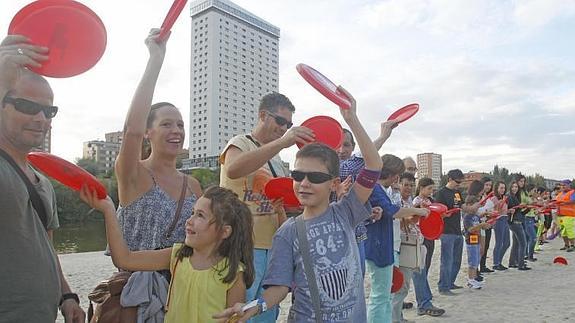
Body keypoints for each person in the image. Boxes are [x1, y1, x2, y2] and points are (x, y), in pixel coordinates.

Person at [215, 87, 383, 322]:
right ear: (262, 115)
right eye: (297, 175)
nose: (304, 183)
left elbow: (373, 165)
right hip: (249, 248)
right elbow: (278, 288)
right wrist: (253, 307)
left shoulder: (345, 213)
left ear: (333, 184)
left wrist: (351, 119)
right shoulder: (288, 232)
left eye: (315, 178)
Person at [0, 35, 85, 322]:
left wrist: (67, 297)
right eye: (26, 106)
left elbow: (47, 249)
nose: (40, 118)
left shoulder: (43, 183)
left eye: (48, 111)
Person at [81, 185, 255, 323]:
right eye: (192, 212)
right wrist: (108, 210)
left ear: (224, 232)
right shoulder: (177, 257)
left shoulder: (233, 274)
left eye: (200, 216)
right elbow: (124, 259)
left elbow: (235, 317)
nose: (189, 220)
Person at [219, 92, 310, 322]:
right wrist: (283, 142)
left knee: (266, 312)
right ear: (262, 115)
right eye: (280, 121)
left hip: (272, 245)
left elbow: (280, 205)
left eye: (288, 124)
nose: (284, 128)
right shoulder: (240, 142)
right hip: (242, 243)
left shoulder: (277, 160)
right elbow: (232, 169)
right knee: (240, 310)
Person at [115, 29, 202, 256]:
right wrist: (156, 60)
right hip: (141, 288)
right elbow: (131, 131)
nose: (176, 131)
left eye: (180, 125)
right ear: (147, 132)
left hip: (186, 285)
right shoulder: (133, 174)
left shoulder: (192, 186)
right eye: (166, 124)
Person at [366, 155, 429, 323]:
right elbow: (393, 211)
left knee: (385, 294)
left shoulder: (378, 189)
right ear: (392, 173)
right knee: (381, 295)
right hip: (380, 247)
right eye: (398, 175)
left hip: (384, 246)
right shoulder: (376, 189)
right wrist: (418, 212)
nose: (398, 179)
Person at [338, 121, 397, 276]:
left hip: (358, 236)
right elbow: (358, 162)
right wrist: (383, 137)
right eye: (337, 144)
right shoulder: (329, 167)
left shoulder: (355, 175)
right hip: (335, 238)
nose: (341, 150)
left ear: (353, 147)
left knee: (357, 283)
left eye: (346, 145)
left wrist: (367, 213)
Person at [412, 178, 445, 317]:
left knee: (425, 268)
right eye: (429, 188)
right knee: (420, 269)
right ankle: (423, 302)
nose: (431, 191)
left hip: (429, 237)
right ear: (421, 187)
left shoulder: (430, 201)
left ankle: (425, 296)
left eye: (432, 189)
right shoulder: (416, 202)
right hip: (419, 237)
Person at [434, 169, 467, 295]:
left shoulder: (457, 193)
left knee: (457, 260)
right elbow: (437, 211)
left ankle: (450, 282)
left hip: (458, 230)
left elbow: (462, 206)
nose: (459, 184)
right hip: (447, 231)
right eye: (457, 182)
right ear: (450, 179)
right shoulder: (441, 193)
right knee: (446, 260)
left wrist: (474, 208)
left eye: (460, 182)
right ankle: (443, 286)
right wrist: (444, 214)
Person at [463, 181, 491, 290]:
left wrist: (484, 225)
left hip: (477, 240)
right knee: (472, 261)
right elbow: (470, 229)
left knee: (476, 259)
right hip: (471, 240)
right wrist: (481, 226)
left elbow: (478, 225)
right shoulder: (468, 217)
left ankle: (474, 278)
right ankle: (471, 280)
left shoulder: (475, 216)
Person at [508, 181, 530, 270]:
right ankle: (521, 264)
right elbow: (513, 210)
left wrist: (527, 209)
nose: (514, 188)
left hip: (517, 222)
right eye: (513, 187)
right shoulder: (510, 197)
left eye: (516, 187)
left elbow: (520, 213)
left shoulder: (515, 197)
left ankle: (512, 262)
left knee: (516, 244)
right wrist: (520, 206)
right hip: (515, 223)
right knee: (523, 243)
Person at [491, 181, 511, 271]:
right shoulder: (494, 198)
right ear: (497, 188)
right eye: (501, 188)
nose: (503, 190)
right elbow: (493, 211)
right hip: (498, 220)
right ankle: (496, 263)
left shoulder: (504, 197)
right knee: (499, 242)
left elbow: (504, 210)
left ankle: (499, 261)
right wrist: (500, 204)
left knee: (507, 243)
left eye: (504, 188)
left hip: (505, 219)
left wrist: (509, 210)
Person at [479, 177, 494, 273]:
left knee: (486, 246)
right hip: (479, 224)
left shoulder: (486, 196)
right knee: (480, 247)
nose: (488, 187)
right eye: (486, 185)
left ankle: (483, 266)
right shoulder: (477, 196)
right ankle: (477, 270)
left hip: (488, 222)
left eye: (490, 185)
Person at [556, 179, 575, 251]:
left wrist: (564, 203)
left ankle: (573, 245)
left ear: (569, 185)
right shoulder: (560, 194)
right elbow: (556, 202)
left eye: (564, 185)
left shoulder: (572, 192)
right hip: (560, 216)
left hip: (569, 216)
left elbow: (573, 201)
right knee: (563, 232)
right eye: (561, 185)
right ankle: (566, 245)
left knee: (570, 231)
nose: (562, 186)